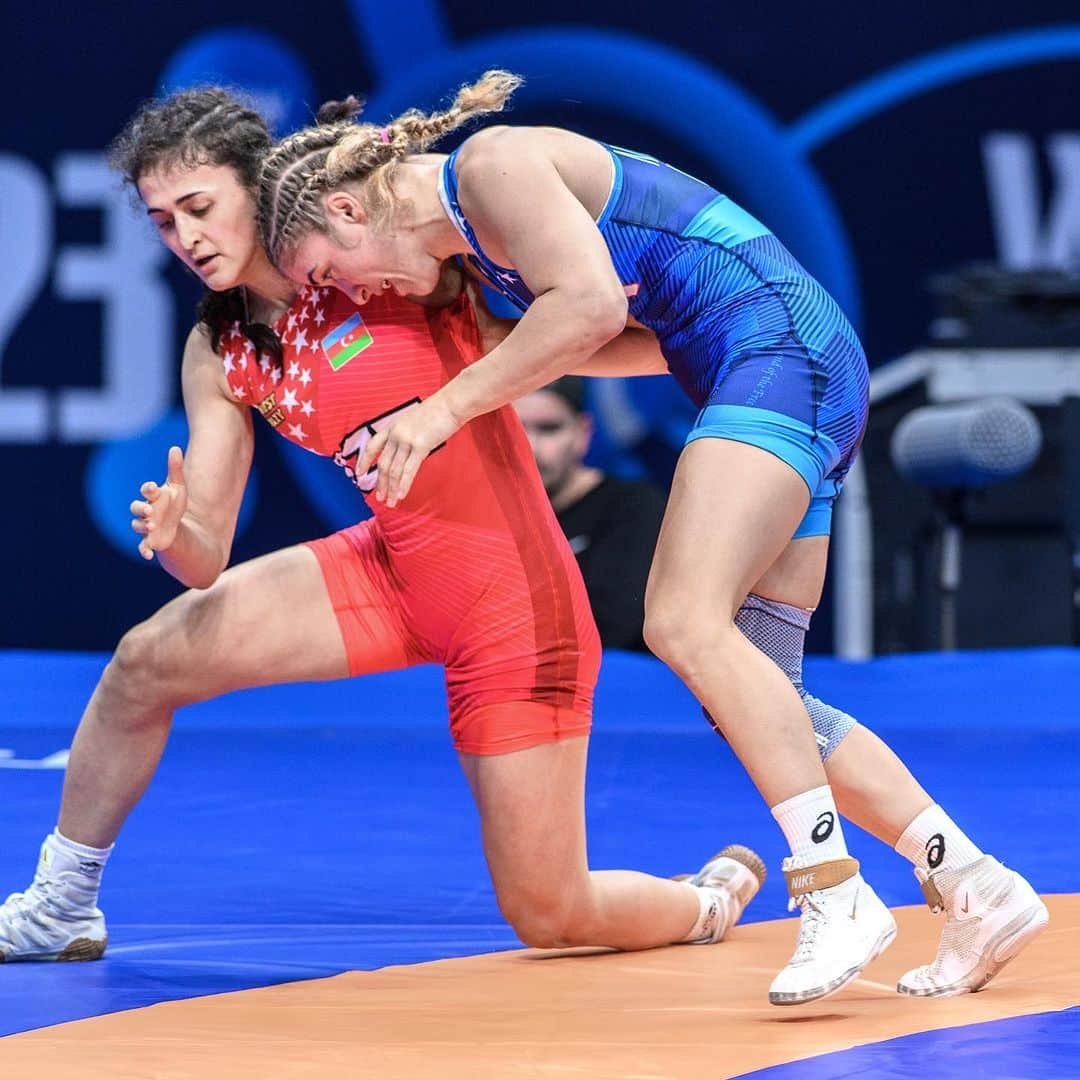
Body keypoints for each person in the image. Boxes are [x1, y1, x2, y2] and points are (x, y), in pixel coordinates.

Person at [256, 72, 1049, 1004]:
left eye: (324, 271)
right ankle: (971, 881)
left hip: (776, 351)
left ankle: (833, 891)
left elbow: (589, 308)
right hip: (773, 360)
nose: (345, 291)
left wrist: (437, 413)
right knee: (759, 686)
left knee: (679, 620)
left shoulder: (494, 168)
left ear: (350, 208)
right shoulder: (478, 252)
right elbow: (630, 338)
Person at [0, 90, 765, 965]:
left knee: (551, 913)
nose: (186, 239)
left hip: (512, 607)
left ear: (258, 187)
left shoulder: (399, 265)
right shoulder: (221, 348)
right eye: (164, 222)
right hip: (387, 570)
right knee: (145, 661)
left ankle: (704, 902)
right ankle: (60, 906)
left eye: (200, 208)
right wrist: (177, 535)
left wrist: (722, 343)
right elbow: (205, 558)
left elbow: (593, 329)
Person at [513, 374, 666, 652]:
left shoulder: (634, 508)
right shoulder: (473, 515)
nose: (530, 447)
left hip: (618, 685)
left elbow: (612, 625)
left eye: (549, 429)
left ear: (583, 432)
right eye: (514, 429)